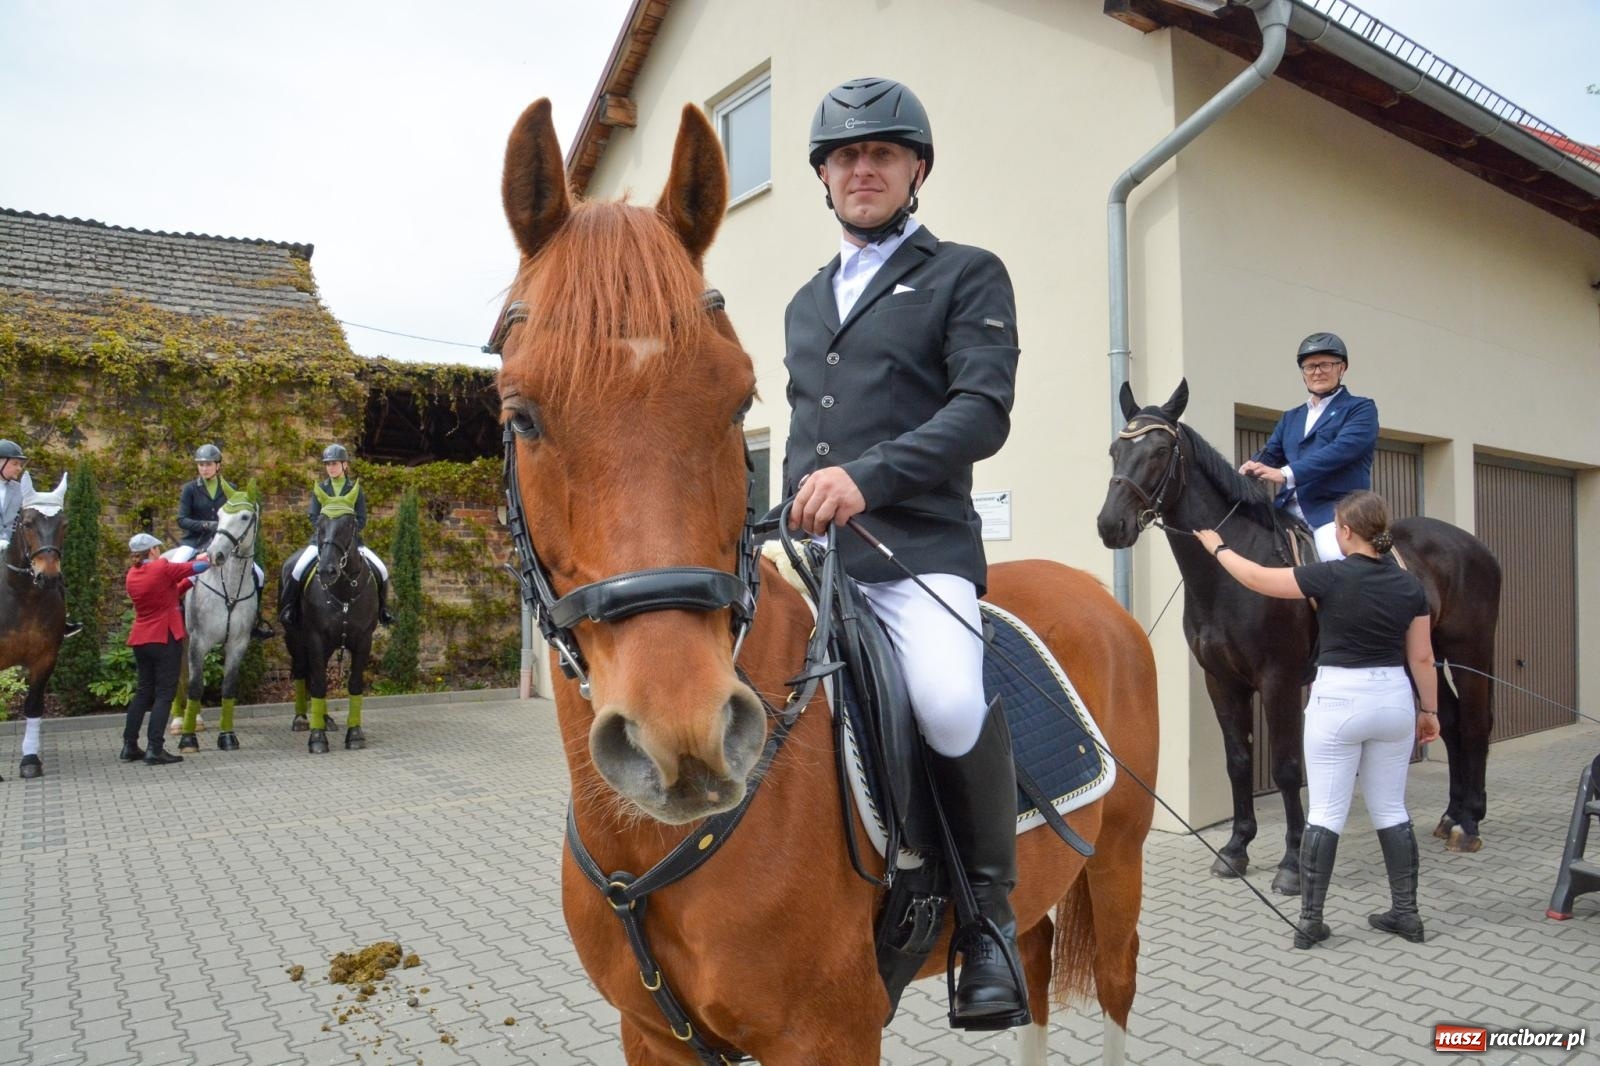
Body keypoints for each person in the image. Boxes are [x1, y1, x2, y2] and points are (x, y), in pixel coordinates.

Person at [782, 77, 1024, 1029]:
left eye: (882, 153)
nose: (863, 169)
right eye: (846, 157)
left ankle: (987, 928)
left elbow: (981, 411)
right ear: (825, 178)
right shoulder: (807, 302)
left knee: (948, 699)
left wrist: (869, 480)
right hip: (815, 560)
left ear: (917, 168)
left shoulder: (968, 273)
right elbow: (809, 437)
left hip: (916, 553)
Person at [1197, 490, 1439, 949]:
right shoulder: (1411, 587)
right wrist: (1429, 712)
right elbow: (1423, 659)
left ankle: (1311, 921)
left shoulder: (1328, 575)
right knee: (1391, 810)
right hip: (1393, 702)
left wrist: (1218, 548)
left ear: (1346, 532)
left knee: (1327, 812)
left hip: (1339, 702)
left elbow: (1258, 578)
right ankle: (1406, 915)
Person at [1239, 334, 1377, 561]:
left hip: (1335, 512)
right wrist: (1249, 470)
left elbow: (1339, 451)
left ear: (1342, 368)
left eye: (1325, 364)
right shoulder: (1291, 418)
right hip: (1284, 511)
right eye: (1310, 366)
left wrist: (1285, 474)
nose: (1317, 372)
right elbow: (1270, 455)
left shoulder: (1360, 409)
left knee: (1334, 559)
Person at [278, 444, 392, 627]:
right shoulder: (321, 488)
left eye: (335, 463)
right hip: (321, 542)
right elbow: (313, 515)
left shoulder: (355, 489)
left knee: (382, 569)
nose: (331, 467)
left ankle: (383, 611)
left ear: (345, 465)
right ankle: (289, 608)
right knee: (295, 568)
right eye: (328, 464)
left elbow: (361, 518)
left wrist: (348, 536)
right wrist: (326, 532)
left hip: (350, 544)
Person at [168, 443, 274, 640]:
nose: (204, 468)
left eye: (208, 464)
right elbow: (182, 519)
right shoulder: (190, 489)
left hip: (225, 545)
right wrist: (208, 525)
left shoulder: (230, 489)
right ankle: (174, 616)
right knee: (172, 570)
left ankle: (254, 620)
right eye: (201, 465)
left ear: (218, 466)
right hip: (194, 543)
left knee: (258, 574)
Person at [123, 533, 209, 765]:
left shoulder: (132, 574)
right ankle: (155, 748)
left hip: (141, 639)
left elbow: (164, 595)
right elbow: (198, 566)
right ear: (152, 551)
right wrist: (209, 557)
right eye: (157, 548)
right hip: (165, 637)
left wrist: (188, 584)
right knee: (164, 694)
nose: (159, 551)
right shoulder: (162, 567)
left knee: (143, 693)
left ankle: (129, 745)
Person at [0, 439, 83, 638]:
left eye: (20, 464)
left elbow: (27, 521)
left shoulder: (19, 491)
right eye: (15, 463)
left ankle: (61, 620)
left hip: (11, 546)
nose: (19, 468)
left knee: (48, 571)